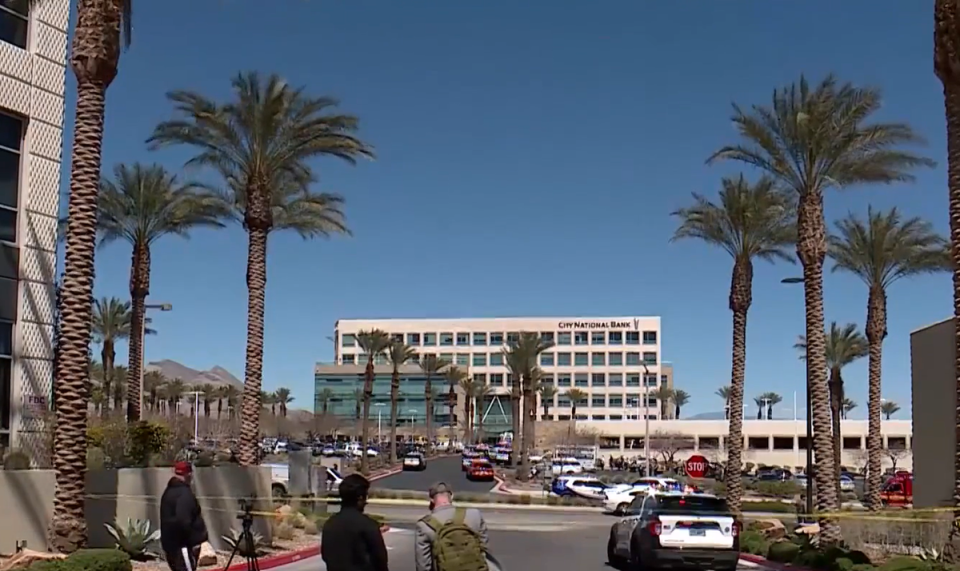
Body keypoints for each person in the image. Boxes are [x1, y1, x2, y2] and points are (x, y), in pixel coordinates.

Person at [321, 474, 389, 571]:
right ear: (360, 498)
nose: (366, 502)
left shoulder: (329, 524)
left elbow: (325, 556)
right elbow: (380, 561)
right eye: (366, 497)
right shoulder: (368, 525)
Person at [415, 482, 489, 571]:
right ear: (452, 496)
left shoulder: (425, 526)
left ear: (431, 499)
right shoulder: (474, 515)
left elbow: (423, 564)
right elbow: (485, 549)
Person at [159, 462, 208, 571]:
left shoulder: (168, 492)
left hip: (173, 546)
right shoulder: (184, 494)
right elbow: (183, 520)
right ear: (188, 474)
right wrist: (193, 541)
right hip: (182, 547)